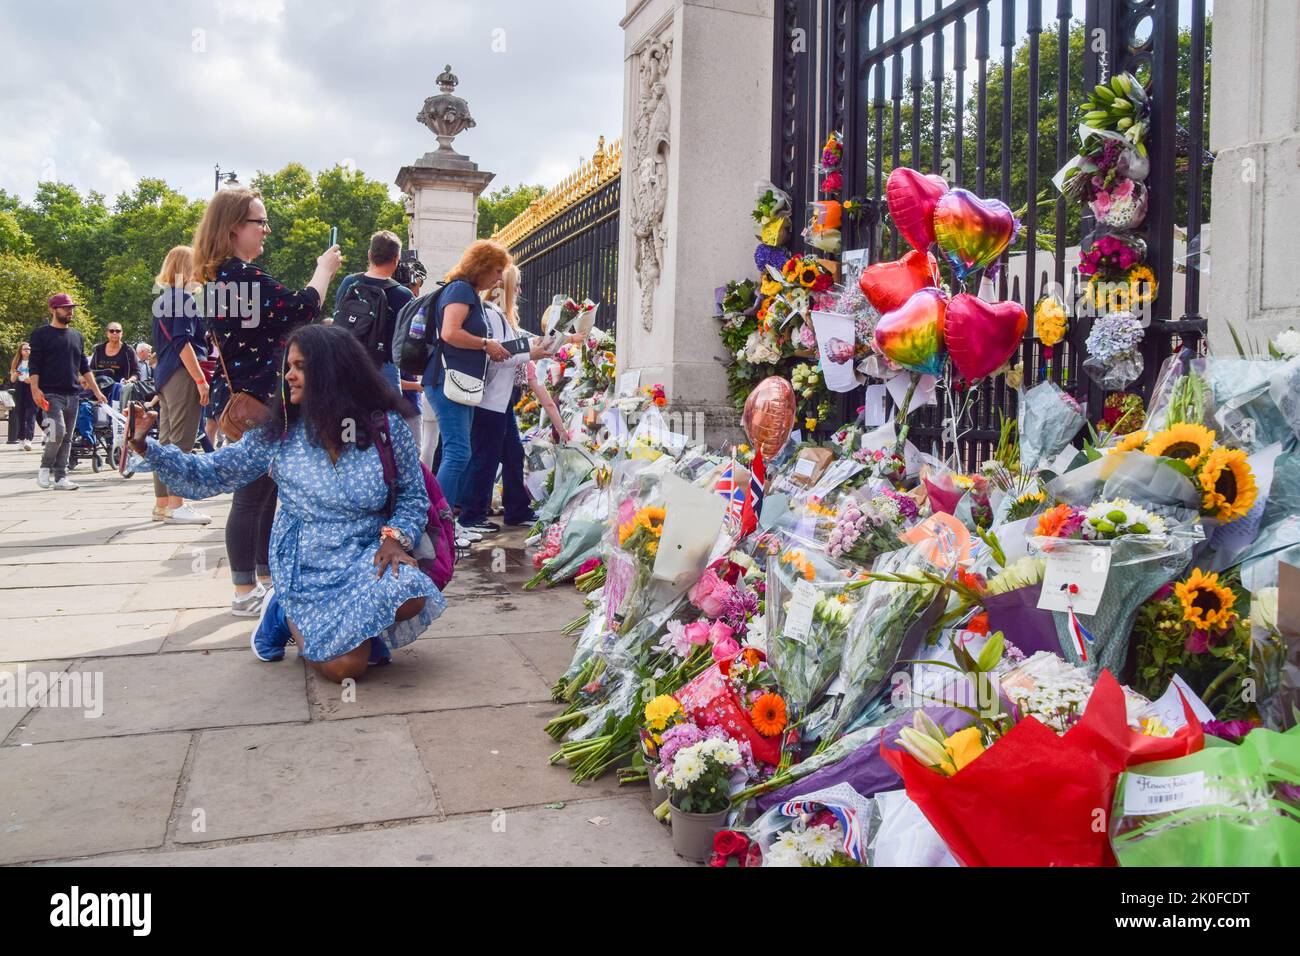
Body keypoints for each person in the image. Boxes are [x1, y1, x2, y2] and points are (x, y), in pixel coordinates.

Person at [125, 325, 442, 682]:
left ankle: (358, 630)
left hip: (367, 550)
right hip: (305, 558)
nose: (288, 375)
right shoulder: (279, 432)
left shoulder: (385, 426)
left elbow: (414, 495)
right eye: (287, 366)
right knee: (345, 670)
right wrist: (146, 447)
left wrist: (394, 537)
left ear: (333, 370)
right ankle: (281, 611)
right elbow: (212, 472)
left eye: (300, 366)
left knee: (411, 595)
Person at [193, 186, 342, 617]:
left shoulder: (223, 277)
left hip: (251, 397)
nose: (266, 229)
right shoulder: (238, 276)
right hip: (257, 399)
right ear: (233, 227)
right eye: (259, 221)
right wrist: (323, 269)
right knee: (252, 494)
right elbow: (301, 307)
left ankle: (261, 579)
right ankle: (244, 590)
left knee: (263, 492)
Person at [421, 240, 513, 546]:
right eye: (498, 270)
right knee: (458, 453)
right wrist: (486, 344)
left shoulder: (464, 291)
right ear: (483, 265)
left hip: (457, 382)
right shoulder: (460, 290)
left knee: (458, 452)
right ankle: (438, 525)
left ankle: (445, 524)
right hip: (448, 381)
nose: (499, 278)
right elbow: (450, 333)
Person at [458, 265, 547, 534]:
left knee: (512, 454)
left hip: (499, 399)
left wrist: (535, 348)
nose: (520, 290)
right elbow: (500, 354)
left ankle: (516, 509)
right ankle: (472, 515)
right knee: (485, 458)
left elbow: (511, 347)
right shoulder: (490, 313)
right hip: (490, 399)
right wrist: (532, 354)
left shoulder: (497, 314)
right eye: (516, 285)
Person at [149, 245, 212, 525]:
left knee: (165, 441)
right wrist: (200, 379)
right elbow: (183, 342)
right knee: (182, 440)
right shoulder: (184, 299)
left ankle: (162, 503)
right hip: (182, 371)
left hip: (164, 373)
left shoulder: (164, 299)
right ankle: (177, 504)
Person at [28, 293, 108, 489]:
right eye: (65, 308)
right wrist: (35, 389)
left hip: (73, 394)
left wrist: (97, 392)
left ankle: (61, 477)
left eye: (71, 308)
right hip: (50, 393)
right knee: (57, 432)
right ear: (53, 310)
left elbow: (84, 367)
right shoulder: (41, 334)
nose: (69, 311)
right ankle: (45, 468)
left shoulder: (77, 336)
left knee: (68, 437)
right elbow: (34, 365)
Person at [332, 230, 412, 395]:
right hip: (384, 366)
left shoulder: (350, 282)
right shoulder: (403, 295)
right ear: (396, 259)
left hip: (346, 361)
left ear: (370, 254)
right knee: (387, 418)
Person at [90, 322, 140, 389]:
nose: (114, 333)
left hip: (119, 388)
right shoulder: (99, 349)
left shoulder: (128, 350)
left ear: (122, 333)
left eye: (118, 331)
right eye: (111, 331)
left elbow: (136, 372)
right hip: (98, 387)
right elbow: (91, 370)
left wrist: (129, 381)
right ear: (107, 333)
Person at [8, 343, 37, 450]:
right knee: (20, 414)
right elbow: (12, 380)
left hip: (31, 387)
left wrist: (31, 380)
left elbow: (40, 376)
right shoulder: (17, 363)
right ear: (20, 351)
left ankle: (28, 439)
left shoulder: (34, 362)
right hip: (20, 387)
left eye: (29, 349)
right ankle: (20, 439)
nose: (27, 351)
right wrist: (15, 374)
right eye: (25, 349)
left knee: (31, 413)